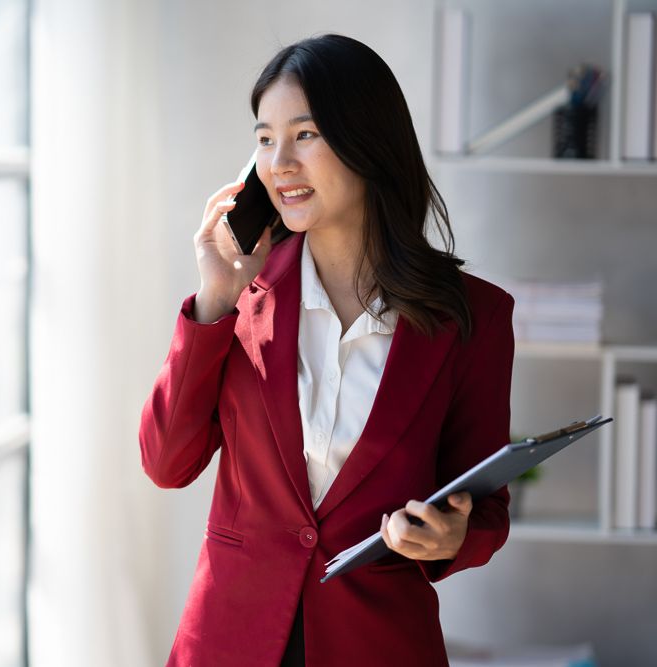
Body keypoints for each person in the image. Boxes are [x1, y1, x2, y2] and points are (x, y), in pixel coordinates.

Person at [139, 34, 514, 667]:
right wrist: (213, 302)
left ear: (368, 142)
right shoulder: (241, 293)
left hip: (378, 643)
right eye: (264, 139)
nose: (279, 162)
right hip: (230, 641)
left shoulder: (470, 317)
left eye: (305, 135)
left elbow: (486, 510)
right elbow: (167, 462)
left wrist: (450, 536)